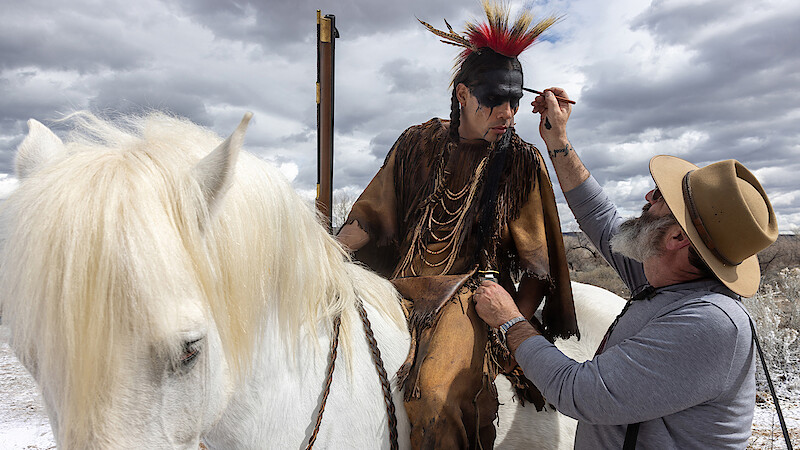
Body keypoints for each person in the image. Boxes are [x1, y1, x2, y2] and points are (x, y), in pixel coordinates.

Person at [474, 86, 779, 448]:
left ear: (677, 239)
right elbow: (600, 216)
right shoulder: (669, 280)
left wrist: (511, 320)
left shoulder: (709, 324)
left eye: (662, 199)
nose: (649, 197)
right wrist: (558, 141)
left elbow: (581, 393)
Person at [336, 4, 578, 449]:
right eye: (495, 99)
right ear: (464, 94)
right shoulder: (416, 142)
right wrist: (323, 257)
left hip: (471, 297)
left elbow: (538, 267)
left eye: (515, 101)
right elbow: (367, 221)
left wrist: (514, 333)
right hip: (397, 285)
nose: (507, 112)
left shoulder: (521, 160)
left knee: (434, 398)